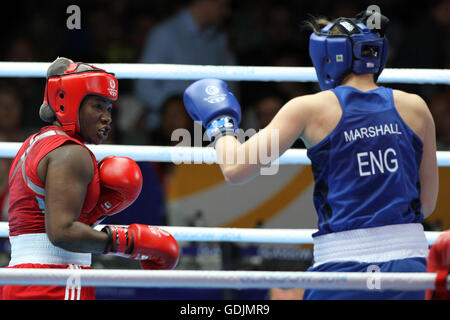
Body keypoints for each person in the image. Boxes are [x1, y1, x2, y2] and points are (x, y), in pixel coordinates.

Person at [182, 10, 439, 299]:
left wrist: (220, 124)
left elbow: (235, 168)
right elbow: (426, 205)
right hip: (411, 267)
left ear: (327, 56)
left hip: (343, 265)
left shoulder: (309, 108)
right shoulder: (417, 107)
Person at [2, 57, 180, 300]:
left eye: (109, 109)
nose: (106, 118)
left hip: (20, 279)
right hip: (57, 280)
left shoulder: (32, 144)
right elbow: (62, 232)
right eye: (97, 106)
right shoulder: (72, 153)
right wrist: (129, 243)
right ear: (69, 102)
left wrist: (93, 215)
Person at [135, 0, 236, 130]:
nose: (227, 12)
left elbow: (230, 86)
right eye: (223, 5)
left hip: (209, 128)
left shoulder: (219, 40)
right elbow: (144, 87)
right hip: (164, 131)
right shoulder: (165, 34)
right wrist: (177, 110)